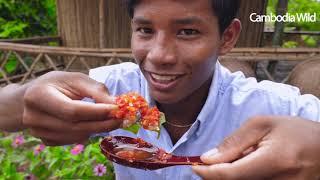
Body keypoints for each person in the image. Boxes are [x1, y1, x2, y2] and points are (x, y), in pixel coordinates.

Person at [0, 0, 319, 179]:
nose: (158, 56)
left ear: (227, 37)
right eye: (145, 30)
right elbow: (9, 106)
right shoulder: (112, 90)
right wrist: (27, 96)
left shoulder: (276, 107)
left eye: (188, 31)